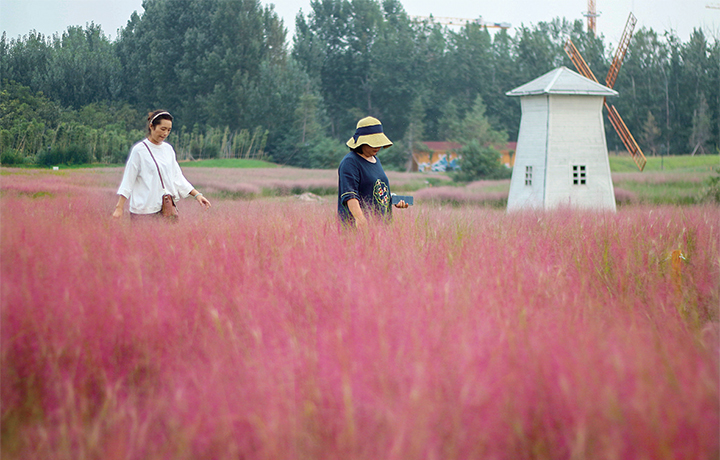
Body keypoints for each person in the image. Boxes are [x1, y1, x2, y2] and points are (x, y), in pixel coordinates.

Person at [112, 110, 211, 220]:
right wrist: (119, 207)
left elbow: (177, 177)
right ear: (151, 126)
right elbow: (128, 180)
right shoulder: (139, 150)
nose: (165, 133)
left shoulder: (168, 149)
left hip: (166, 210)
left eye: (169, 130)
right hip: (143, 212)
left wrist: (197, 195)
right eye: (162, 129)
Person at [337, 116, 408, 229]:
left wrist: (393, 199)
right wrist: (360, 218)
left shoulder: (375, 160)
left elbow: (375, 188)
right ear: (361, 142)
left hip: (381, 227)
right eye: (373, 143)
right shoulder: (350, 162)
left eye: (379, 142)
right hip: (358, 228)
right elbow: (350, 195)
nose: (378, 147)